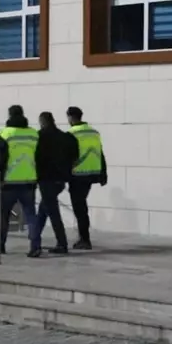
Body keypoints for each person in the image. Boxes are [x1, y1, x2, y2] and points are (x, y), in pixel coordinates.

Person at [0, 105, 42, 258]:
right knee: (31, 215)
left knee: (4, 215)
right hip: (29, 180)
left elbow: (0, 159)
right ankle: (35, 246)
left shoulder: (6, 133)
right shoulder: (33, 134)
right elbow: (39, 156)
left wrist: (0, 177)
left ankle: (0, 245)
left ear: (9, 115)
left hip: (9, 181)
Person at [34, 111, 77, 254]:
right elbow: (75, 155)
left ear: (42, 122)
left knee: (52, 212)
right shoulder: (66, 137)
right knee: (44, 209)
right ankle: (34, 238)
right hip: (61, 179)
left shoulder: (39, 137)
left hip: (46, 179)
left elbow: (36, 157)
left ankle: (61, 243)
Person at [66, 106, 106, 250]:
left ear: (70, 117)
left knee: (80, 209)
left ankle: (84, 239)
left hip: (77, 175)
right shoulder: (94, 132)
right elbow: (100, 153)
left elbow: (68, 156)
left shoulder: (71, 133)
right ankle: (83, 237)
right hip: (92, 174)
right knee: (81, 207)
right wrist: (103, 174)